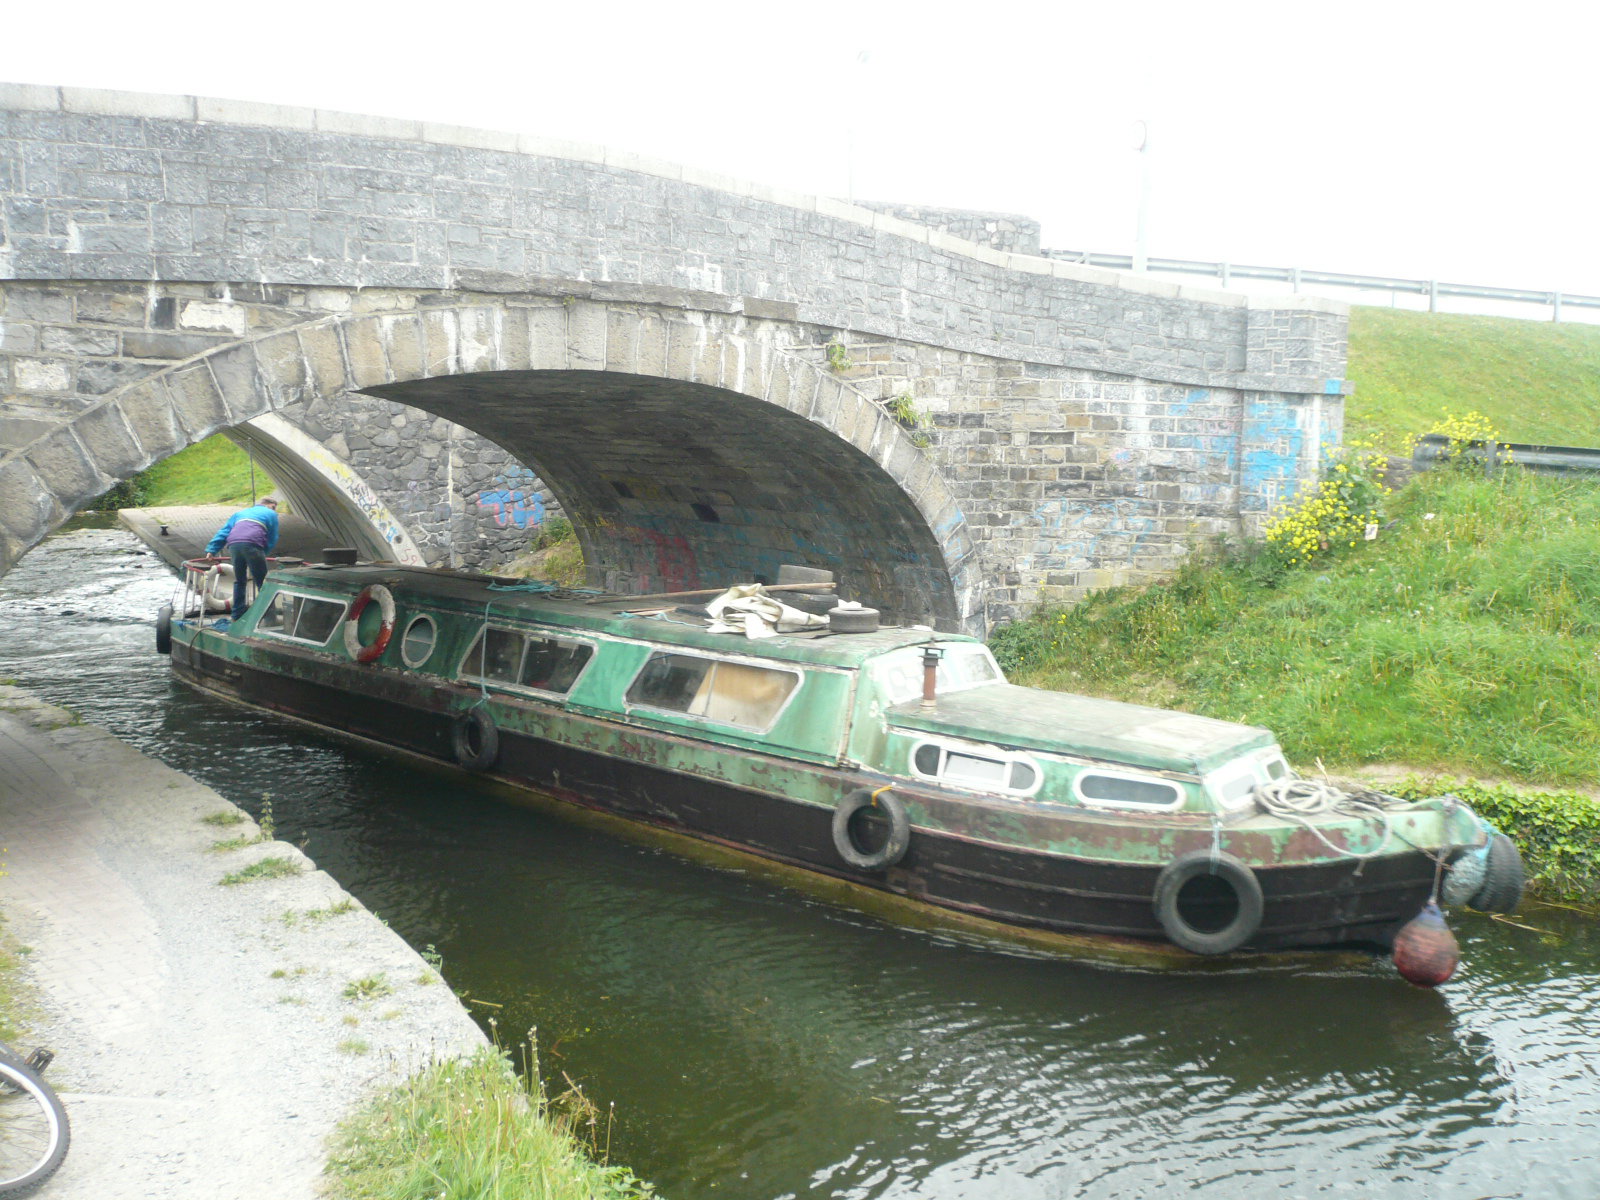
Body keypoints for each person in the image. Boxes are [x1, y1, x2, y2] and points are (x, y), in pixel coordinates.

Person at [204, 497, 281, 620]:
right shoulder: (271, 514)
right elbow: (272, 537)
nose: (275, 510)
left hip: (234, 545)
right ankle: (268, 616)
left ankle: (237, 615)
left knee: (240, 581)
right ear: (270, 505)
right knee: (263, 582)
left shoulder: (240, 513)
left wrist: (211, 549)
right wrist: (263, 553)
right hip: (253, 544)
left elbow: (224, 532)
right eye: (274, 507)